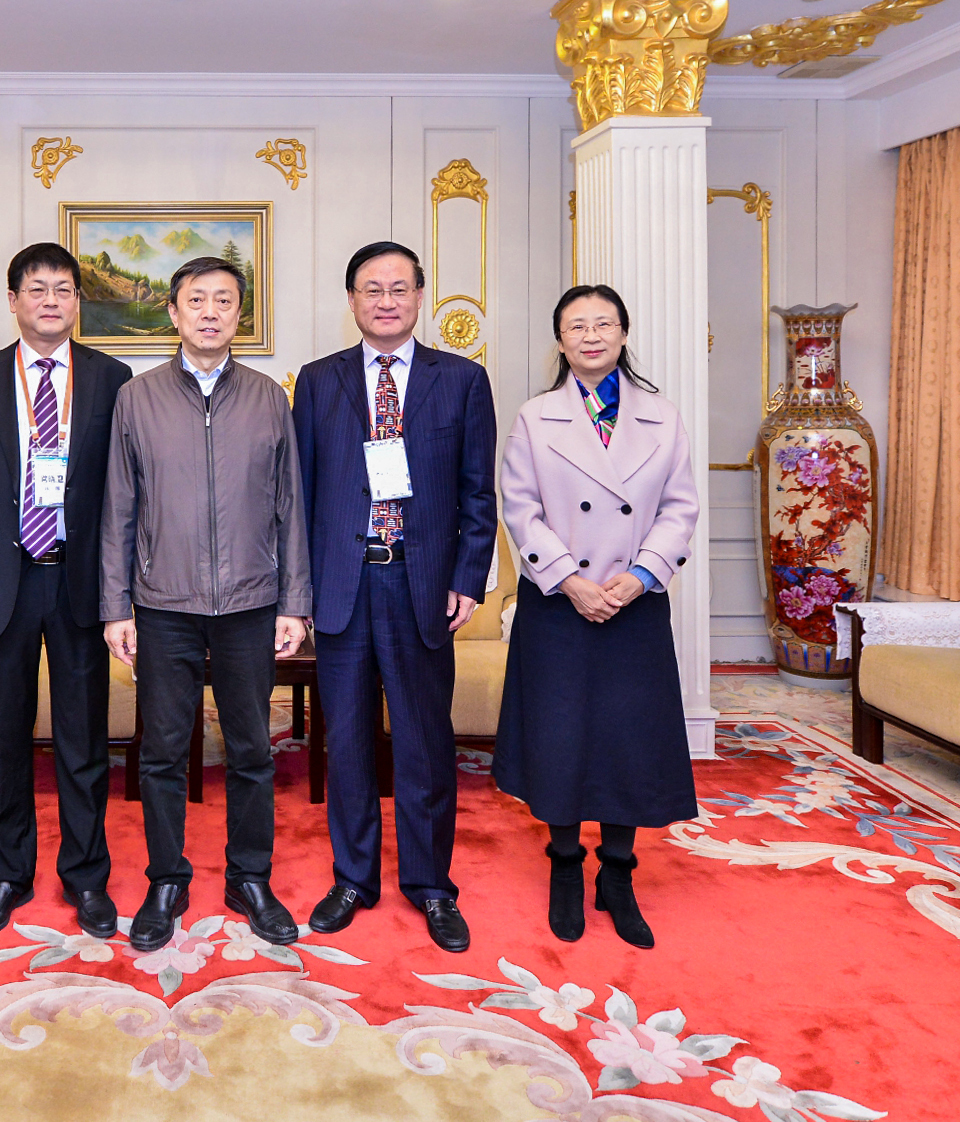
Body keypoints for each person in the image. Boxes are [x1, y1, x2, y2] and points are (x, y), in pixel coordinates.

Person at [100, 255, 311, 953]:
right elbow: (118, 508)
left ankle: (250, 877)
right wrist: (116, 606)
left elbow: (290, 505)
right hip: (164, 603)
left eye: (224, 300)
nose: (211, 312)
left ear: (239, 315)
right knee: (162, 751)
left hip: (251, 603)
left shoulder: (268, 397)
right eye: (197, 300)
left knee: (252, 749)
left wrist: (294, 601)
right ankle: (167, 879)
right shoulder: (138, 398)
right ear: (174, 312)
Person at [293, 241, 497, 955]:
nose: (386, 301)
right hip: (343, 586)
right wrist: (300, 591)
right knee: (346, 742)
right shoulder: (317, 381)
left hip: (422, 585)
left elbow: (478, 493)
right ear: (352, 299)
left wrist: (467, 578)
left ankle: (432, 885)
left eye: (399, 288)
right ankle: (353, 878)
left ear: (419, 296)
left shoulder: (462, 380)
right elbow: (300, 496)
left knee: (424, 742)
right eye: (372, 289)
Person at [495, 283, 699, 949]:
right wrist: (569, 580)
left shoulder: (662, 417)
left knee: (627, 740)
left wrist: (640, 576)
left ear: (623, 334)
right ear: (560, 340)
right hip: (560, 602)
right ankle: (563, 865)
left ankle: (617, 873)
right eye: (577, 326)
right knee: (560, 738)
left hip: (633, 602)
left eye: (603, 324)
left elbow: (680, 507)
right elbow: (520, 508)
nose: (590, 335)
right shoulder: (535, 417)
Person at [0, 242, 133, 941]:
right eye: (36, 288)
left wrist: (121, 591)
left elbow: (124, 493)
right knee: (4, 739)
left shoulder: (113, 378)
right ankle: (7, 875)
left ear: (78, 301)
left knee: (83, 740)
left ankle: (86, 876)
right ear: (13, 300)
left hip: (80, 581)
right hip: (3, 582)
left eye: (63, 289)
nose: (50, 301)